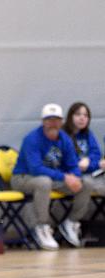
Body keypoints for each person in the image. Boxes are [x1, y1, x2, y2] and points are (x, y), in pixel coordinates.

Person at [11, 103, 94, 249]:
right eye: (49, 119)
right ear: (43, 122)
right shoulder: (32, 139)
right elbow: (35, 169)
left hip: (52, 178)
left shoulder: (65, 139)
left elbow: (72, 165)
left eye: (56, 119)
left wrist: (74, 177)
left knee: (85, 183)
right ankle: (42, 226)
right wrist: (65, 178)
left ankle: (71, 222)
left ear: (61, 121)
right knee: (43, 182)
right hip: (23, 178)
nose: (53, 123)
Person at [63, 102, 105, 196]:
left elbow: (96, 154)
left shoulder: (88, 134)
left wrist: (89, 159)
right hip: (75, 175)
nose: (82, 118)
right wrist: (96, 164)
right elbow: (72, 163)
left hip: (93, 172)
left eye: (86, 115)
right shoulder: (63, 136)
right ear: (70, 116)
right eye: (78, 114)